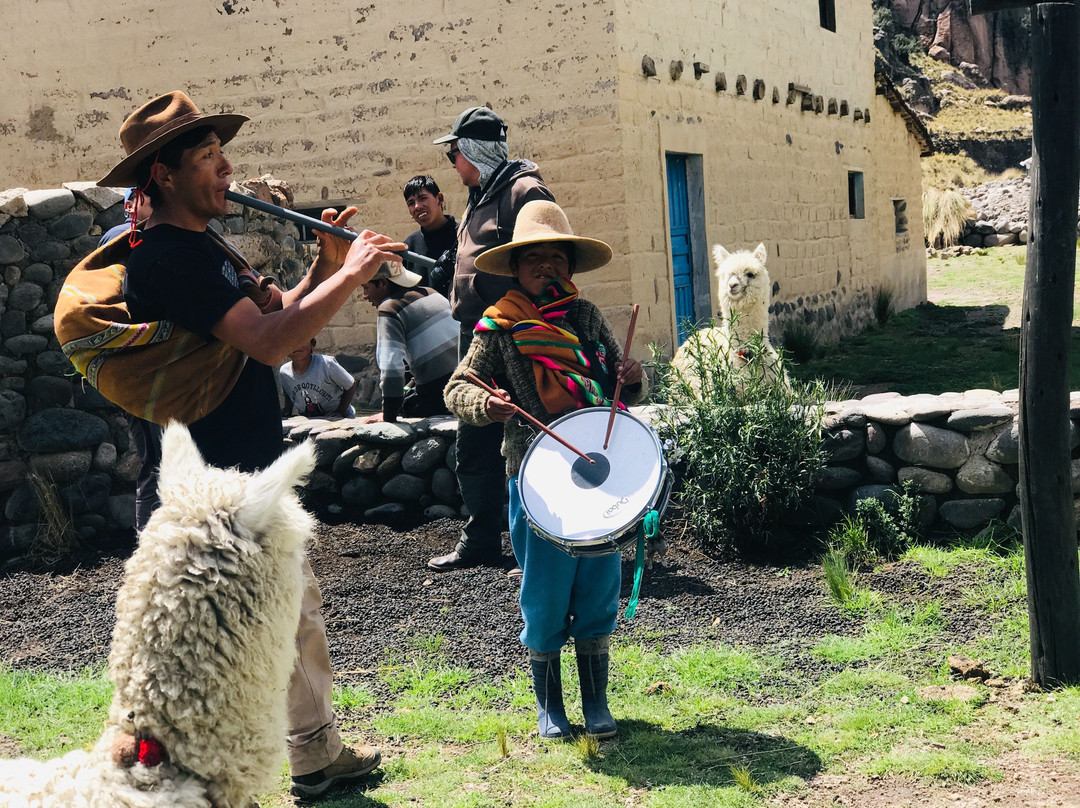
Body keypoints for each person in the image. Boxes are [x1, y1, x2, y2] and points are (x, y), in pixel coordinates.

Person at [90, 90, 407, 799]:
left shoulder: (203, 249)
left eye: (220, 152)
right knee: (206, 661)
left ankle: (316, 759)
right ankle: (169, 782)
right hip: (210, 505)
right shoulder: (170, 259)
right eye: (207, 157)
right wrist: (355, 273)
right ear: (164, 175)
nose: (227, 167)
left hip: (246, 486)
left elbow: (269, 322)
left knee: (295, 622)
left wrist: (324, 270)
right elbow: (267, 345)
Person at [443, 200, 646, 740]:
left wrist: (632, 373)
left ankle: (597, 705)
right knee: (547, 590)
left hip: (599, 474)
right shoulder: (500, 328)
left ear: (570, 269)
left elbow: (617, 376)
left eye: (556, 259)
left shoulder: (585, 318)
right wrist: (489, 407)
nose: (546, 269)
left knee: (599, 582)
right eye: (535, 260)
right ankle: (551, 708)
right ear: (516, 269)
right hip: (535, 478)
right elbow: (456, 388)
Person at [427, 105, 556, 572]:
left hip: (518, 335)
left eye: (454, 154)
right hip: (477, 336)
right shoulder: (481, 194)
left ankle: (548, 537)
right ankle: (480, 539)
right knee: (474, 440)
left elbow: (547, 259)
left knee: (534, 435)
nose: (453, 164)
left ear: (474, 152)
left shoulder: (525, 191)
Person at [359, 262, 458, 423]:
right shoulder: (431, 293)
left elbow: (391, 368)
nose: (364, 295)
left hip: (439, 398)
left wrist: (388, 417)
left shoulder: (390, 308)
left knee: (408, 405)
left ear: (383, 283)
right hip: (465, 386)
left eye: (366, 287)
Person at [401, 175, 456, 297]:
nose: (417, 206)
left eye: (423, 198)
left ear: (439, 199)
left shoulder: (464, 235)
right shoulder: (408, 248)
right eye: (411, 203)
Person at [280, 338, 358, 417]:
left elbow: (351, 385)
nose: (297, 346)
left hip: (339, 417)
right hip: (309, 418)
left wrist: (340, 411)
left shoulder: (326, 364)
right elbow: (288, 394)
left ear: (313, 343)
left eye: (302, 341)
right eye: (290, 342)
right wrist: (287, 410)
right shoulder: (284, 372)